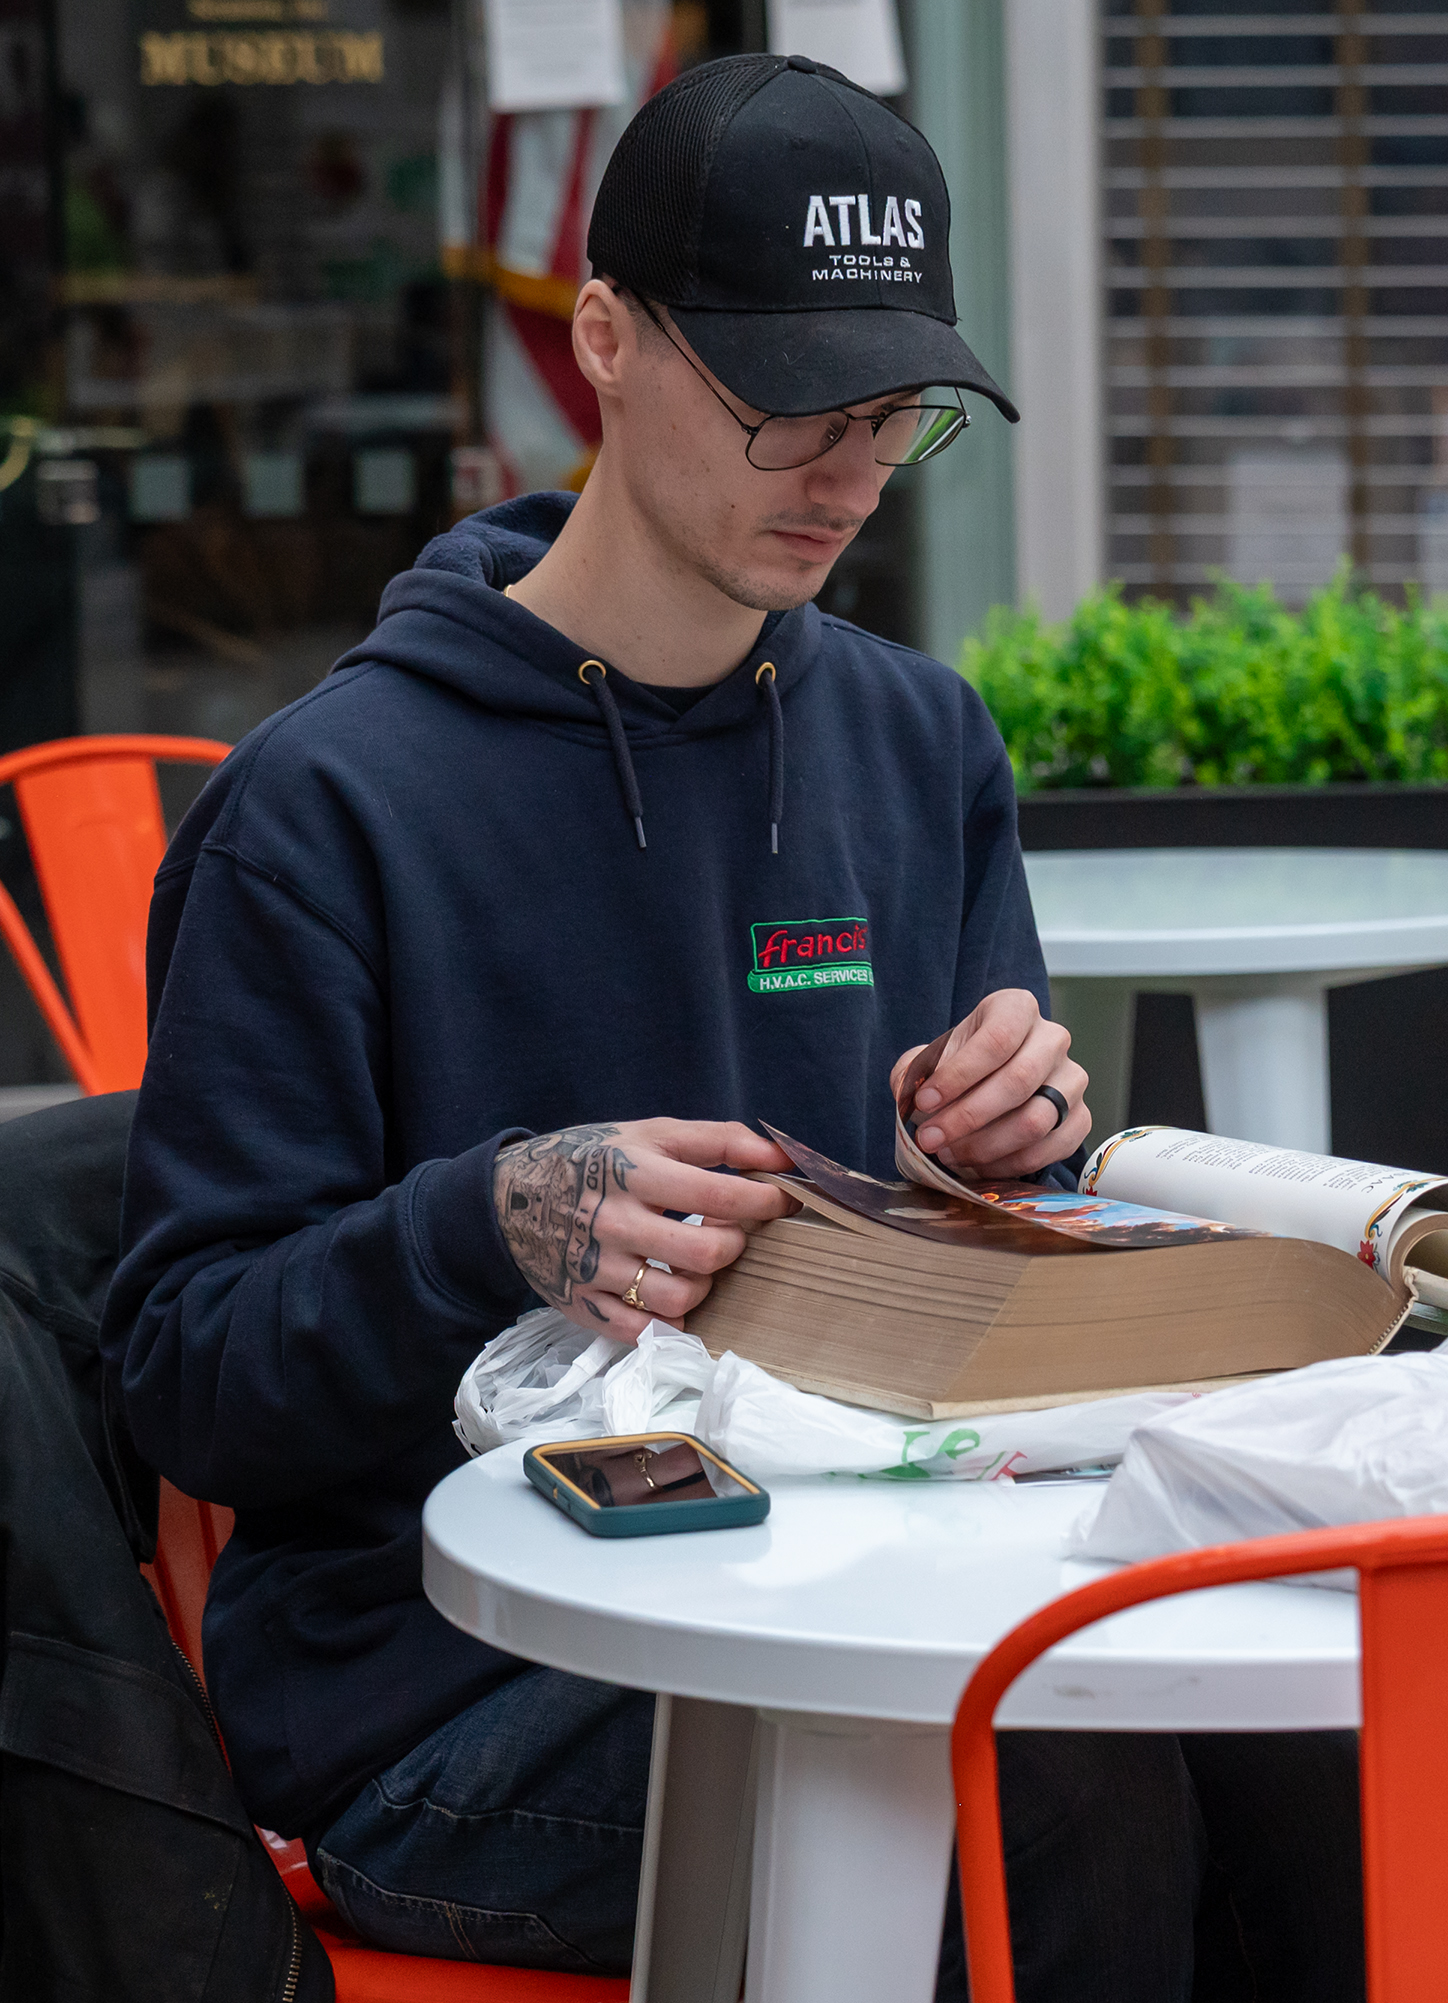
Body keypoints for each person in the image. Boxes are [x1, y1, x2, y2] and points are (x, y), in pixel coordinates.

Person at [100, 55, 1210, 1996]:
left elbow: (961, 1294)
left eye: (897, 415)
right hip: (449, 1692)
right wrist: (489, 1222)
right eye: (794, 403)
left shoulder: (913, 737)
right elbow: (186, 1376)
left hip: (866, 1575)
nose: (852, 473)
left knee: (1285, 1730)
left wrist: (995, 1166)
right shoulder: (328, 803)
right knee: (1055, 1779)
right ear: (601, 336)